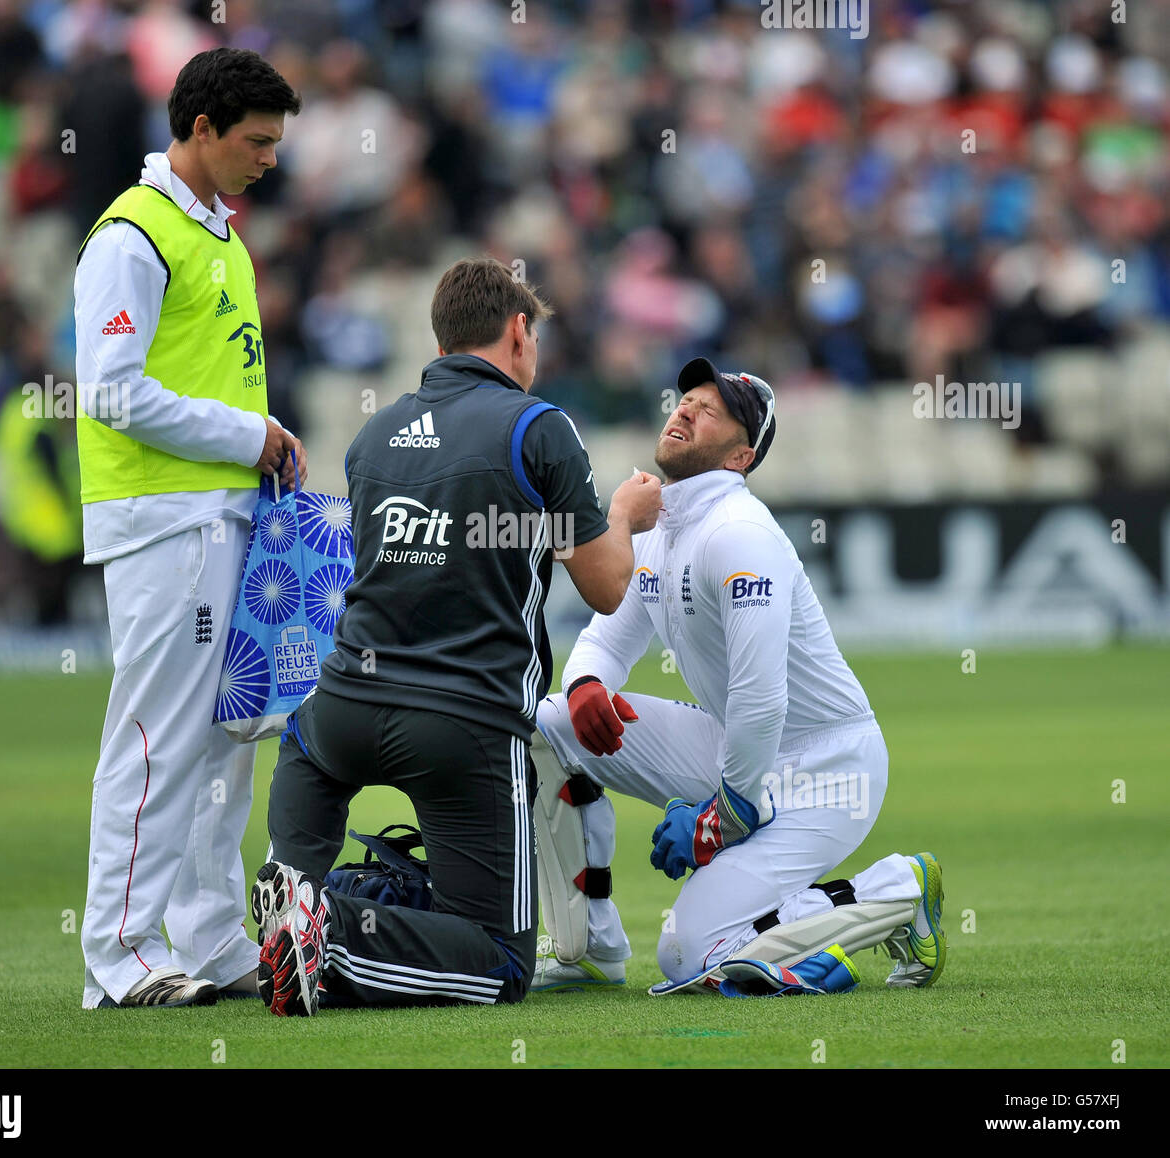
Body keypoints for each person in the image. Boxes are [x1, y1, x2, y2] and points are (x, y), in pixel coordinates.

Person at [253, 256, 664, 1015]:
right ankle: (328, 931)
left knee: (309, 765)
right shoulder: (538, 427)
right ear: (518, 332)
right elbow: (606, 587)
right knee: (503, 964)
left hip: (334, 717)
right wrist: (625, 516)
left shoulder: (373, 435)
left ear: (441, 342)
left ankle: (299, 904)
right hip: (463, 726)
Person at [530, 357, 946, 993]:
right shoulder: (659, 526)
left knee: (689, 951)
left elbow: (762, 699)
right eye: (687, 397)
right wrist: (588, 682)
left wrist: (719, 819)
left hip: (828, 770)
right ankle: (587, 948)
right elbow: (606, 639)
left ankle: (896, 892)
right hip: (741, 747)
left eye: (713, 410)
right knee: (550, 723)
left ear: (740, 458)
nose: (687, 408)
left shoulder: (740, 534)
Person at [74, 48, 303, 1009]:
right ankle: (115, 959)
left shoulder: (218, 236)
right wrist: (246, 434)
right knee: (156, 739)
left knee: (224, 745)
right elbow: (112, 390)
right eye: (256, 141)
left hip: (221, 514)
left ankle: (209, 943)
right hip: (163, 520)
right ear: (200, 129)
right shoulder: (133, 235)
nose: (269, 159)